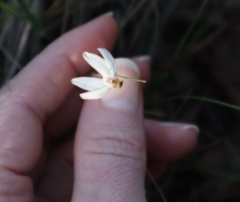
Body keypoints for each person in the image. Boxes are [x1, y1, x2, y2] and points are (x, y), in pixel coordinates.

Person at [0, 12, 198, 201]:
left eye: (114, 83)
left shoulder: (110, 74)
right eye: (113, 83)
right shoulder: (104, 81)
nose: (114, 84)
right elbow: (98, 83)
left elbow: (110, 74)